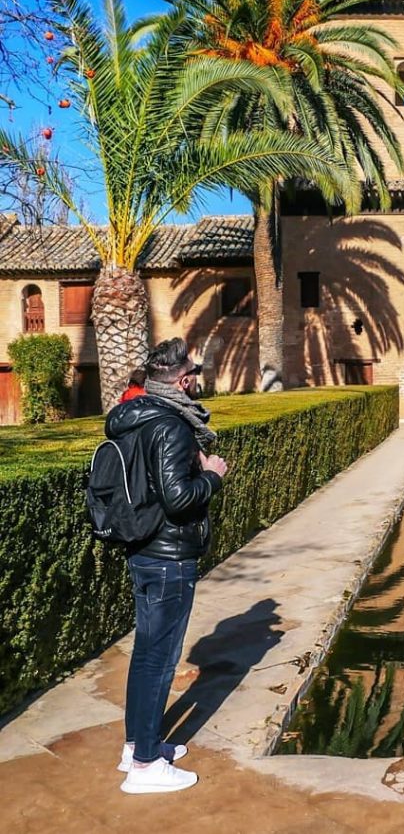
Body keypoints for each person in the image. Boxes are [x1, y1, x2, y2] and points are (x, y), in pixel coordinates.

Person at [104, 338, 228, 794]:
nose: (196, 379)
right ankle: (144, 767)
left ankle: (139, 743)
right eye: (193, 372)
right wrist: (212, 474)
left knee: (146, 654)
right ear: (182, 379)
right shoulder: (172, 426)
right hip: (168, 555)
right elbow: (178, 500)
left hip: (143, 548)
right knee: (160, 659)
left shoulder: (132, 417)